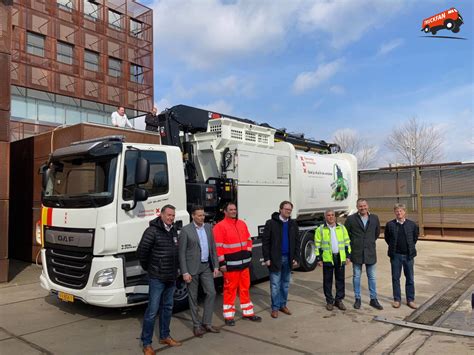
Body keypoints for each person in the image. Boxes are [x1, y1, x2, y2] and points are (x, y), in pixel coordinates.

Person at [137, 205, 181, 354]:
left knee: (168, 308)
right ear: (161, 215)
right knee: (152, 311)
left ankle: (164, 336)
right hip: (157, 278)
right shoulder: (152, 231)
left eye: (173, 215)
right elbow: (142, 252)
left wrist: (177, 269)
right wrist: (150, 268)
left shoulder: (174, 231)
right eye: (168, 215)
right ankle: (146, 344)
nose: (171, 218)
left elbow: (176, 252)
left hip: (171, 277)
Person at [213, 202, 262, 325]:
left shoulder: (241, 224)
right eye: (231, 209)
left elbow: (249, 240)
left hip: (244, 265)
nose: (233, 211)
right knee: (230, 290)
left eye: (235, 209)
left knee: (245, 288)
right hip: (230, 266)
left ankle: (248, 313)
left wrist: (249, 253)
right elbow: (218, 248)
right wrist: (222, 263)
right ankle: (229, 317)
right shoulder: (219, 227)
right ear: (225, 211)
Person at [179, 205, 220, 337]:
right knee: (193, 297)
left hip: (206, 266)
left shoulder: (208, 227)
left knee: (212, 293)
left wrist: (216, 266)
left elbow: (213, 247)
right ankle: (197, 325)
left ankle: (207, 323)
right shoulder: (186, 231)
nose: (202, 217)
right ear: (193, 216)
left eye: (203, 215)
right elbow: (181, 253)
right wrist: (184, 272)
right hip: (192, 269)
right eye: (199, 215)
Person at [262, 201, 300, 318]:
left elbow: (297, 242)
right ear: (280, 209)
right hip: (275, 259)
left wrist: (296, 257)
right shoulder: (271, 223)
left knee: (285, 284)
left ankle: (283, 305)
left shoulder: (293, 224)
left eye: (290, 210)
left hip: (288, 259)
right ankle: (275, 308)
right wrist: (267, 258)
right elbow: (266, 242)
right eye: (286, 209)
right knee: (275, 284)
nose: (288, 211)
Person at [345, 198, 383, 310]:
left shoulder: (374, 218)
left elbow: (376, 233)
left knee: (372, 277)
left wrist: (369, 242)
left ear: (368, 206)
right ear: (357, 207)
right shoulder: (351, 219)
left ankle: (373, 299)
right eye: (360, 206)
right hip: (356, 252)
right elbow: (347, 236)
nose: (363, 208)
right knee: (356, 276)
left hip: (370, 252)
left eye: (364, 205)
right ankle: (357, 299)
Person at [384, 203, 419, 309]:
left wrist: (410, 248)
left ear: (405, 212)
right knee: (395, 278)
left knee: (410, 278)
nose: (399, 213)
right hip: (396, 256)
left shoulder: (412, 225)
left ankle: (410, 300)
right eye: (397, 211)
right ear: (395, 212)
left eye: (401, 211)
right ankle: (397, 300)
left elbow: (414, 238)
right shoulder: (390, 225)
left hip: (408, 256)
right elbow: (387, 238)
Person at [315, 209, 351, 311]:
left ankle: (338, 300)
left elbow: (347, 242)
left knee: (340, 280)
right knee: (327, 281)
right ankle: (329, 302)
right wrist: (319, 258)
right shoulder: (320, 229)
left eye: (332, 215)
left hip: (340, 257)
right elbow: (317, 245)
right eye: (328, 215)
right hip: (327, 259)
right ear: (325, 217)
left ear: (335, 216)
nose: (330, 217)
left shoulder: (342, 228)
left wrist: (348, 256)